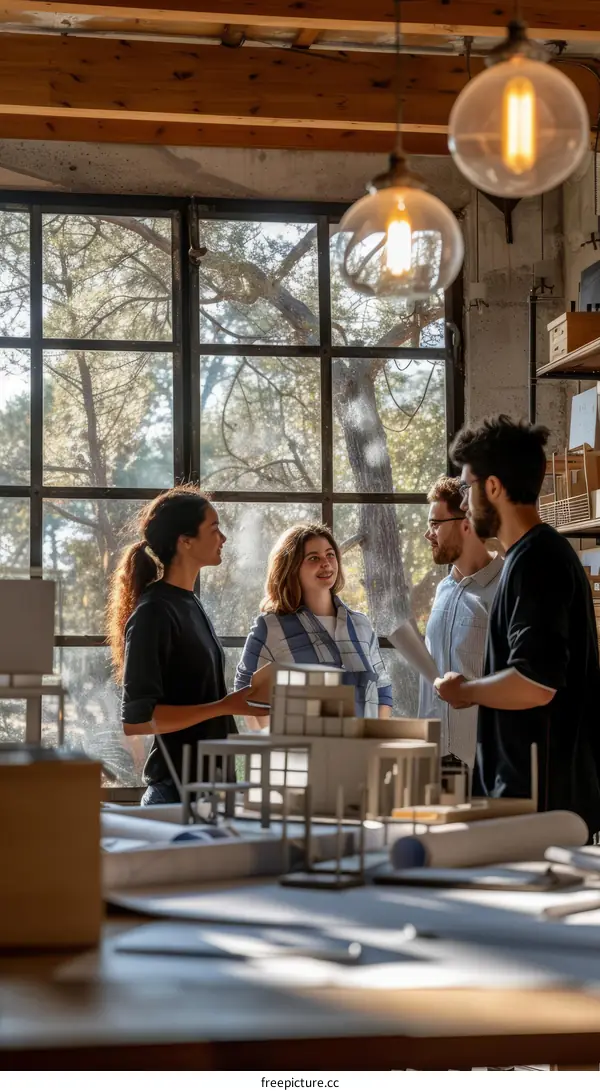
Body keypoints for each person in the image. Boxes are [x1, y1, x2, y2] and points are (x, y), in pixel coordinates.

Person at [435, 415, 600, 836]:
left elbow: (535, 682)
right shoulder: (527, 558)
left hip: (543, 805)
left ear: (493, 487)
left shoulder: (537, 561)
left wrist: (464, 691)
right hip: (530, 798)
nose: (467, 504)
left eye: (469, 487)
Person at [107, 485, 266, 805]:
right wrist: (225, 705)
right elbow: (135, 721)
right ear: (186, 541)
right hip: (175, 795)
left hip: (208, 793)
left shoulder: (189, 604)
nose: (223, 538)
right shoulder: (153, 612)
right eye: (214, 529)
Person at [235, 523, 393, 730]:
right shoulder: (269, 628)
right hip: (300, 758)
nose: (326, 564)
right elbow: (246, 697)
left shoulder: (361, 625)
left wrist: (375, 746)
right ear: (291, 567)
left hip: (362, 757)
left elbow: (382, 691)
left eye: (330, 555)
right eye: (313, 558)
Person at [418, 475, 503, 767]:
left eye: (435, 524)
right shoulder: (443, 590)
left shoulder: (505, 589)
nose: (428, 535)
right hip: (434, 759)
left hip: (484, 765)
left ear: (466, 522)